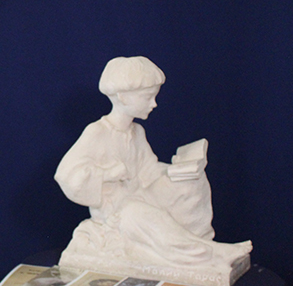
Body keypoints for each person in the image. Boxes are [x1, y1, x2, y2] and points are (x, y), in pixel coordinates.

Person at [54, 56, 251, 271]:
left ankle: (204, 241)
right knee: (144, 215)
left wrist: (177, 171)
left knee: (190, 184)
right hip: (117, 211)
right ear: (122, 97)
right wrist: (108, 174)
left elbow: (149, 170)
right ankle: (211, 254)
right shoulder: (97, 132)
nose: (154, 103)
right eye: (148, 97)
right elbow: (67, 175)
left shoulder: (137, 131)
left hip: (140, 194)